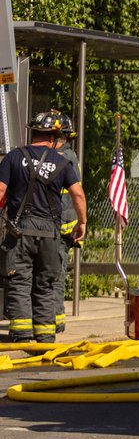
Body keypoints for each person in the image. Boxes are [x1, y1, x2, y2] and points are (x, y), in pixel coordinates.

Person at [0, 110, 87, 343]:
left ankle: (21, 333)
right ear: (54, 137)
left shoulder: (13, 158)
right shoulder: (62, 162)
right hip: (50, 234)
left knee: (19, 281)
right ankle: (46, 337)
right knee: (46, 284)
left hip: (20, 233)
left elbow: (0, 191)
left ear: (34, 134)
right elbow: (78, 194)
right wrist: (82, 223)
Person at [53, 113, 80, 335]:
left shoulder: (64, 159)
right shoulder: (67, 157)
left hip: (60, 227)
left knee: (55, 274)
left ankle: (56, 319)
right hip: (60, 225)